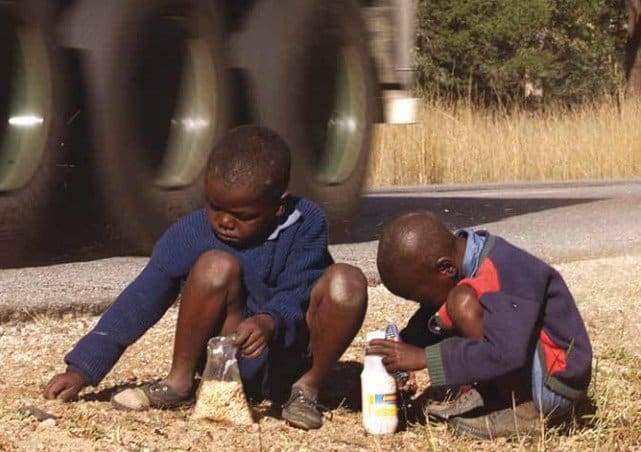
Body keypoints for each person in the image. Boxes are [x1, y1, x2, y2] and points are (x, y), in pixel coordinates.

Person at [43, 125, 368, 430]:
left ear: (278, 207)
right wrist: (82, 369)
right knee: (214, 266)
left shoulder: (305, 222)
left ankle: (305, 391)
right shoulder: (190, 233)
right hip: (231, 360)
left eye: (242, 216)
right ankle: (179, 383)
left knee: (347, 282)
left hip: (291, 357)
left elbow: (300, 287)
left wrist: (270, 321)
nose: (224, 221)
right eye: (215, 206)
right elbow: (140, 298)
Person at [367, 211, 592, 439]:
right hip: (533, 363)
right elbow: (431, 314)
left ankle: (522, 411)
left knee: (461, 302)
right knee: (456, 302)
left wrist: (425, 357)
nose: (422, 304)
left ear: (446, 269)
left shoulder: (502, 271)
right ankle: (497, 394)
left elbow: (506, 353)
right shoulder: (466, 254)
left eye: (421, 297)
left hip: (554, 382)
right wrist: (402, 345)